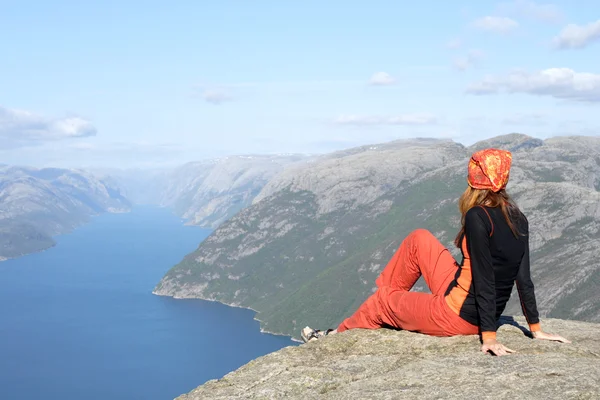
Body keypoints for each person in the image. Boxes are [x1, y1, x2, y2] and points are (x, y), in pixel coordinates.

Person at [300, 148, 571, 356]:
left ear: (475, 181)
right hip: (462, 297)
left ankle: (336, 334)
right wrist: (535, 329)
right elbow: (524, 279)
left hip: (457, 316)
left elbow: (486, 278)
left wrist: (489, 336)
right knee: (420, 238)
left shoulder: (479, 215)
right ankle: (393, 306)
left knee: (381, 300)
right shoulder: (518, 217)